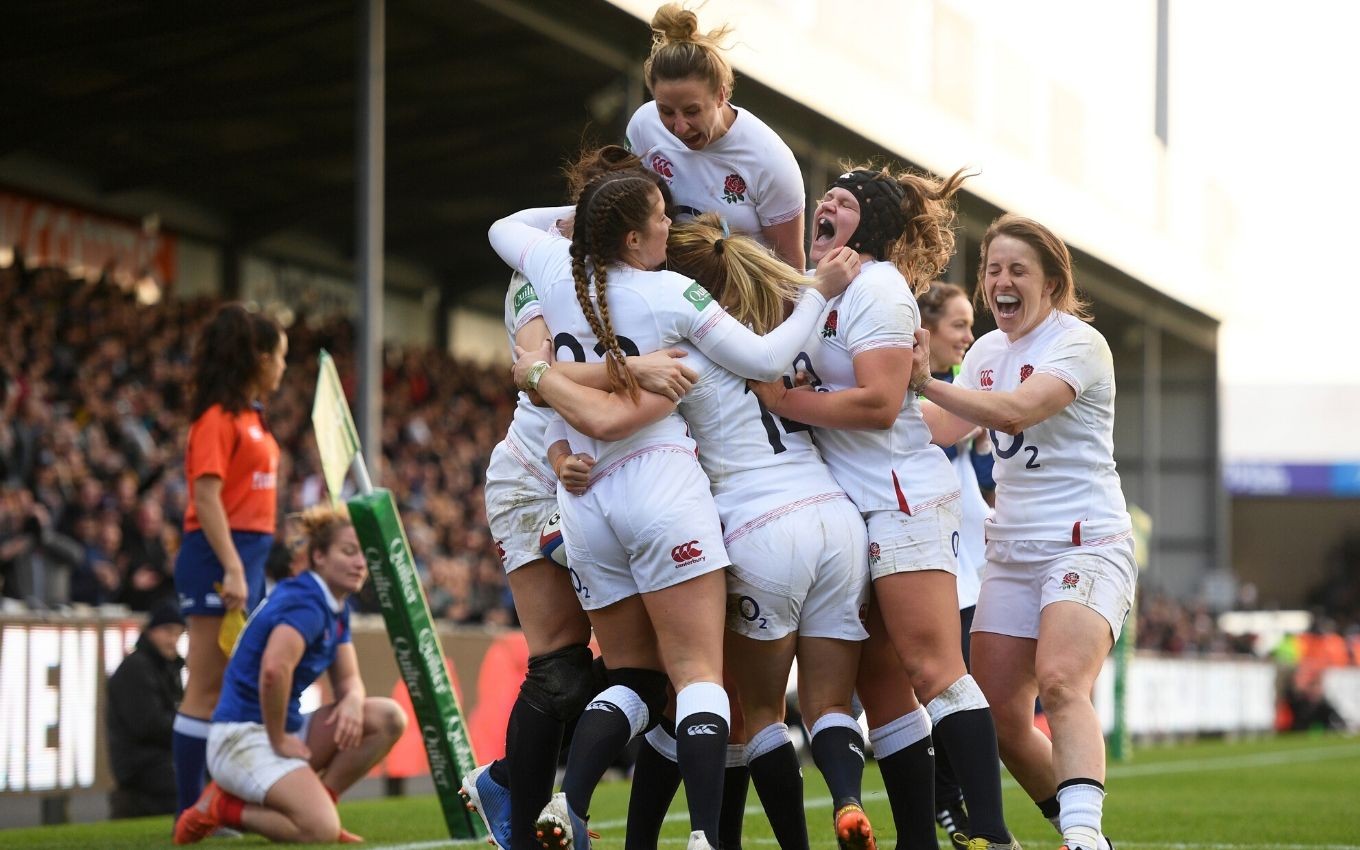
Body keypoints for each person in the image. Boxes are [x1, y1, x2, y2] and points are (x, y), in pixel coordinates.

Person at [488, 172, 852, 850]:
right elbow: (771, 356)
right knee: (696, 677)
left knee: (632, 675)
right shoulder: (670, 294)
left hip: (585, 494)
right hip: (660, 483)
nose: (669, 224)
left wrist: (587, 215)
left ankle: (569, 802)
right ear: (633, 236)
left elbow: (502, 226)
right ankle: (707, 837)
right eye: (659, 215)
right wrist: (818, 295)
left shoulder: (550, 264)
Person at [751, 167, 1019, 850]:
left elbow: (876, 405)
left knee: (933, 669)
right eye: (825, 198)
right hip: (853, 507)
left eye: (842, 201)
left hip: (900, 498)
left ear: (866, 223)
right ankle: (917, 840)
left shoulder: (880, 289)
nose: (825, 206)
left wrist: (785, 400)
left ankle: (991, 833)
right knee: (883, 688)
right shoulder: (826, 292)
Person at [461, 145, 696, 850]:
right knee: (567, 667)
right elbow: (534, 367)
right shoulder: (543, 268)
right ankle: (527, 815)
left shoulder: (638, 278)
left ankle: (510, 779)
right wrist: (638, 368)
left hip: (597, 479)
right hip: (537, 476)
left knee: (646, 663)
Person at [909, 214, 1135, 850]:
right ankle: (1075, 829)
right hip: (1009, 553)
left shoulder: (1079, 343)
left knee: (1062, 681)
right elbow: (937, 427)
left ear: (1053, 281)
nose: (1001, 283)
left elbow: (1018, 410)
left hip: (1086, 541)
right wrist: (840, 410)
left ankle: (1085, 838)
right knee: (999, 717)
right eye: (992, 270)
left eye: (1017, 271)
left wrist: (923, 379)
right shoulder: (984, 353)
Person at [173, 506, 407, 844]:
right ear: (319, 556)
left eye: (363, 555)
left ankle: (321, 801)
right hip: (242, 736)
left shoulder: (332, 602)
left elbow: (348, 679)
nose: (360, 563)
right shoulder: (307, 602)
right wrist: (279, 739)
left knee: (387, 718)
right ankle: (222, 806)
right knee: (320, 831)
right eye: (348, 551)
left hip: (277, 727)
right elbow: (274, 670)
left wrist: (353, 701)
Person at [171, 304, 287, 817]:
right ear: (259, 358)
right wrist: (234, 568)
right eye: (280, 356)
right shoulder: (216, 420)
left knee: (226, 692)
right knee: (205, 687)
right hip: (219, 560)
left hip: (246, 559)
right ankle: (189, 812)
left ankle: (211, 806)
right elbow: (207, 497)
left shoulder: (252, 418)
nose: (284, 367)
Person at [628, 2, 806, 269]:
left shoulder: (771, 161)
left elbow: (790, 270)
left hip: (738, 304)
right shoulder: (644, 124)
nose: (679, 127)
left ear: (721, 95)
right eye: (665, 111)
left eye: (692, 111)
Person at [917, 281, 995, 841]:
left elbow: (987, 483)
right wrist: (975, 417)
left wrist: (985, 437)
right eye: (959, 325)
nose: (970, 335)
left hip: (972, 562)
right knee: (949, 684)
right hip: (938, 557)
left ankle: (949, 798)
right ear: (928, 329)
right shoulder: (930, 394)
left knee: (967, 686)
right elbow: (931, 444)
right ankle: (945, 800)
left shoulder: (955, 391)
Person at [107, 600, 187, 818]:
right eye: (168, 632)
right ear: (151, 632)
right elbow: (148, 725)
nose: (173, 640)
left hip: (155, 758)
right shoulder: (136, 668)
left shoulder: (167, 668)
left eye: (178, 634)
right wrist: (189, 726)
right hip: (141, 763)